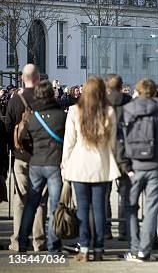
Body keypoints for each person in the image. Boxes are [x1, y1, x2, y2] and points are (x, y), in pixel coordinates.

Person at [62, 76, 121, 262]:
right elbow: (112, 143)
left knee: (82, 208)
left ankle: (85, 246)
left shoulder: (74, 111)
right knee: (99, 209)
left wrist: (65, 164)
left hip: (79, 163)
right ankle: (99, 247)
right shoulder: (109, 112)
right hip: (101, 164)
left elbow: (69, 142)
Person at [118, 79, 158, 263]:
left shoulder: (127, 110)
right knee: (151, 211)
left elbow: (120, 141)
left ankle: (134, 248)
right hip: (156, 166)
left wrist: (126, 166)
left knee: (130, 207)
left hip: (134, 166)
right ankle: (144, 251)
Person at [17, 80, 66, 254]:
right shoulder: (61, 115)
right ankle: (54, 245)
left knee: (31, 204)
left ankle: (22, 242)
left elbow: (23, 139)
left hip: (36, 162)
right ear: (52, 94)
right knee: (54, 205)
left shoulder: (32, 116)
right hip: (54, 163)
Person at [5, 64, 46, 252]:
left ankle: (19, 241)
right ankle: (39, 241)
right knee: (39, 201)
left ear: (22, 78)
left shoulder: (14, 100)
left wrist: (11, 149)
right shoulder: (45, 99)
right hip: (42, 156)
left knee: (20, 199)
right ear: (38, 78)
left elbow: (7, 128)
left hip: (21, 156)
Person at [105, 74, 132, 241]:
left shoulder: (101, 102)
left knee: (104, 194)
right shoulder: (129, 102)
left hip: (105, 152)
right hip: (125, 152)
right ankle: (123, 229)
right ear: (121, 87)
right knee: (125, 194)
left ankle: (105, 229)